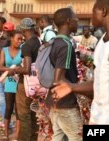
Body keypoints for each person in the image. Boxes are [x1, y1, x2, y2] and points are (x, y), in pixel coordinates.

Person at [51, 0, 109, 125]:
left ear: (104, 11)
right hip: (97, 116)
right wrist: (72, 87)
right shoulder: (102, 41)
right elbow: (99, 82)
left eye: (93, 11)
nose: (91, 15)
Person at [43, 8, 82, 141]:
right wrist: (80, 89)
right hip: (66, 103)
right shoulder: (65, 45)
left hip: (55, 101)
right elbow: (58, 79)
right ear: (68, 21)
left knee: (58, 137)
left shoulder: (54, 42)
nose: (78, 22)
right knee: (78, 137)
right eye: (76, 19)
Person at [12, 18, 41, 141]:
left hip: (26, 85)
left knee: (24, 116)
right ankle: (33, 138)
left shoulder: (27, 45)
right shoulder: (39, 42)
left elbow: (27, 69)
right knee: (34, 114)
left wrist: (13, 70)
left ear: (23, 30)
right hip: (38, 85)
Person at [0, 30, 22, 138]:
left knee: (18, 109)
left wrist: (13, 71)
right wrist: (12, 70)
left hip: (19, 82)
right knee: (8, 108)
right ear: (11, 38)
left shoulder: (23, 51)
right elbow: (0, 67)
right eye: (18, 39)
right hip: (9, 82)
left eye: (21, 39)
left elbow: (24, 66)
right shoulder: (4, 50)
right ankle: (6, 133)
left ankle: (17, 135)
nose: (20, 41)